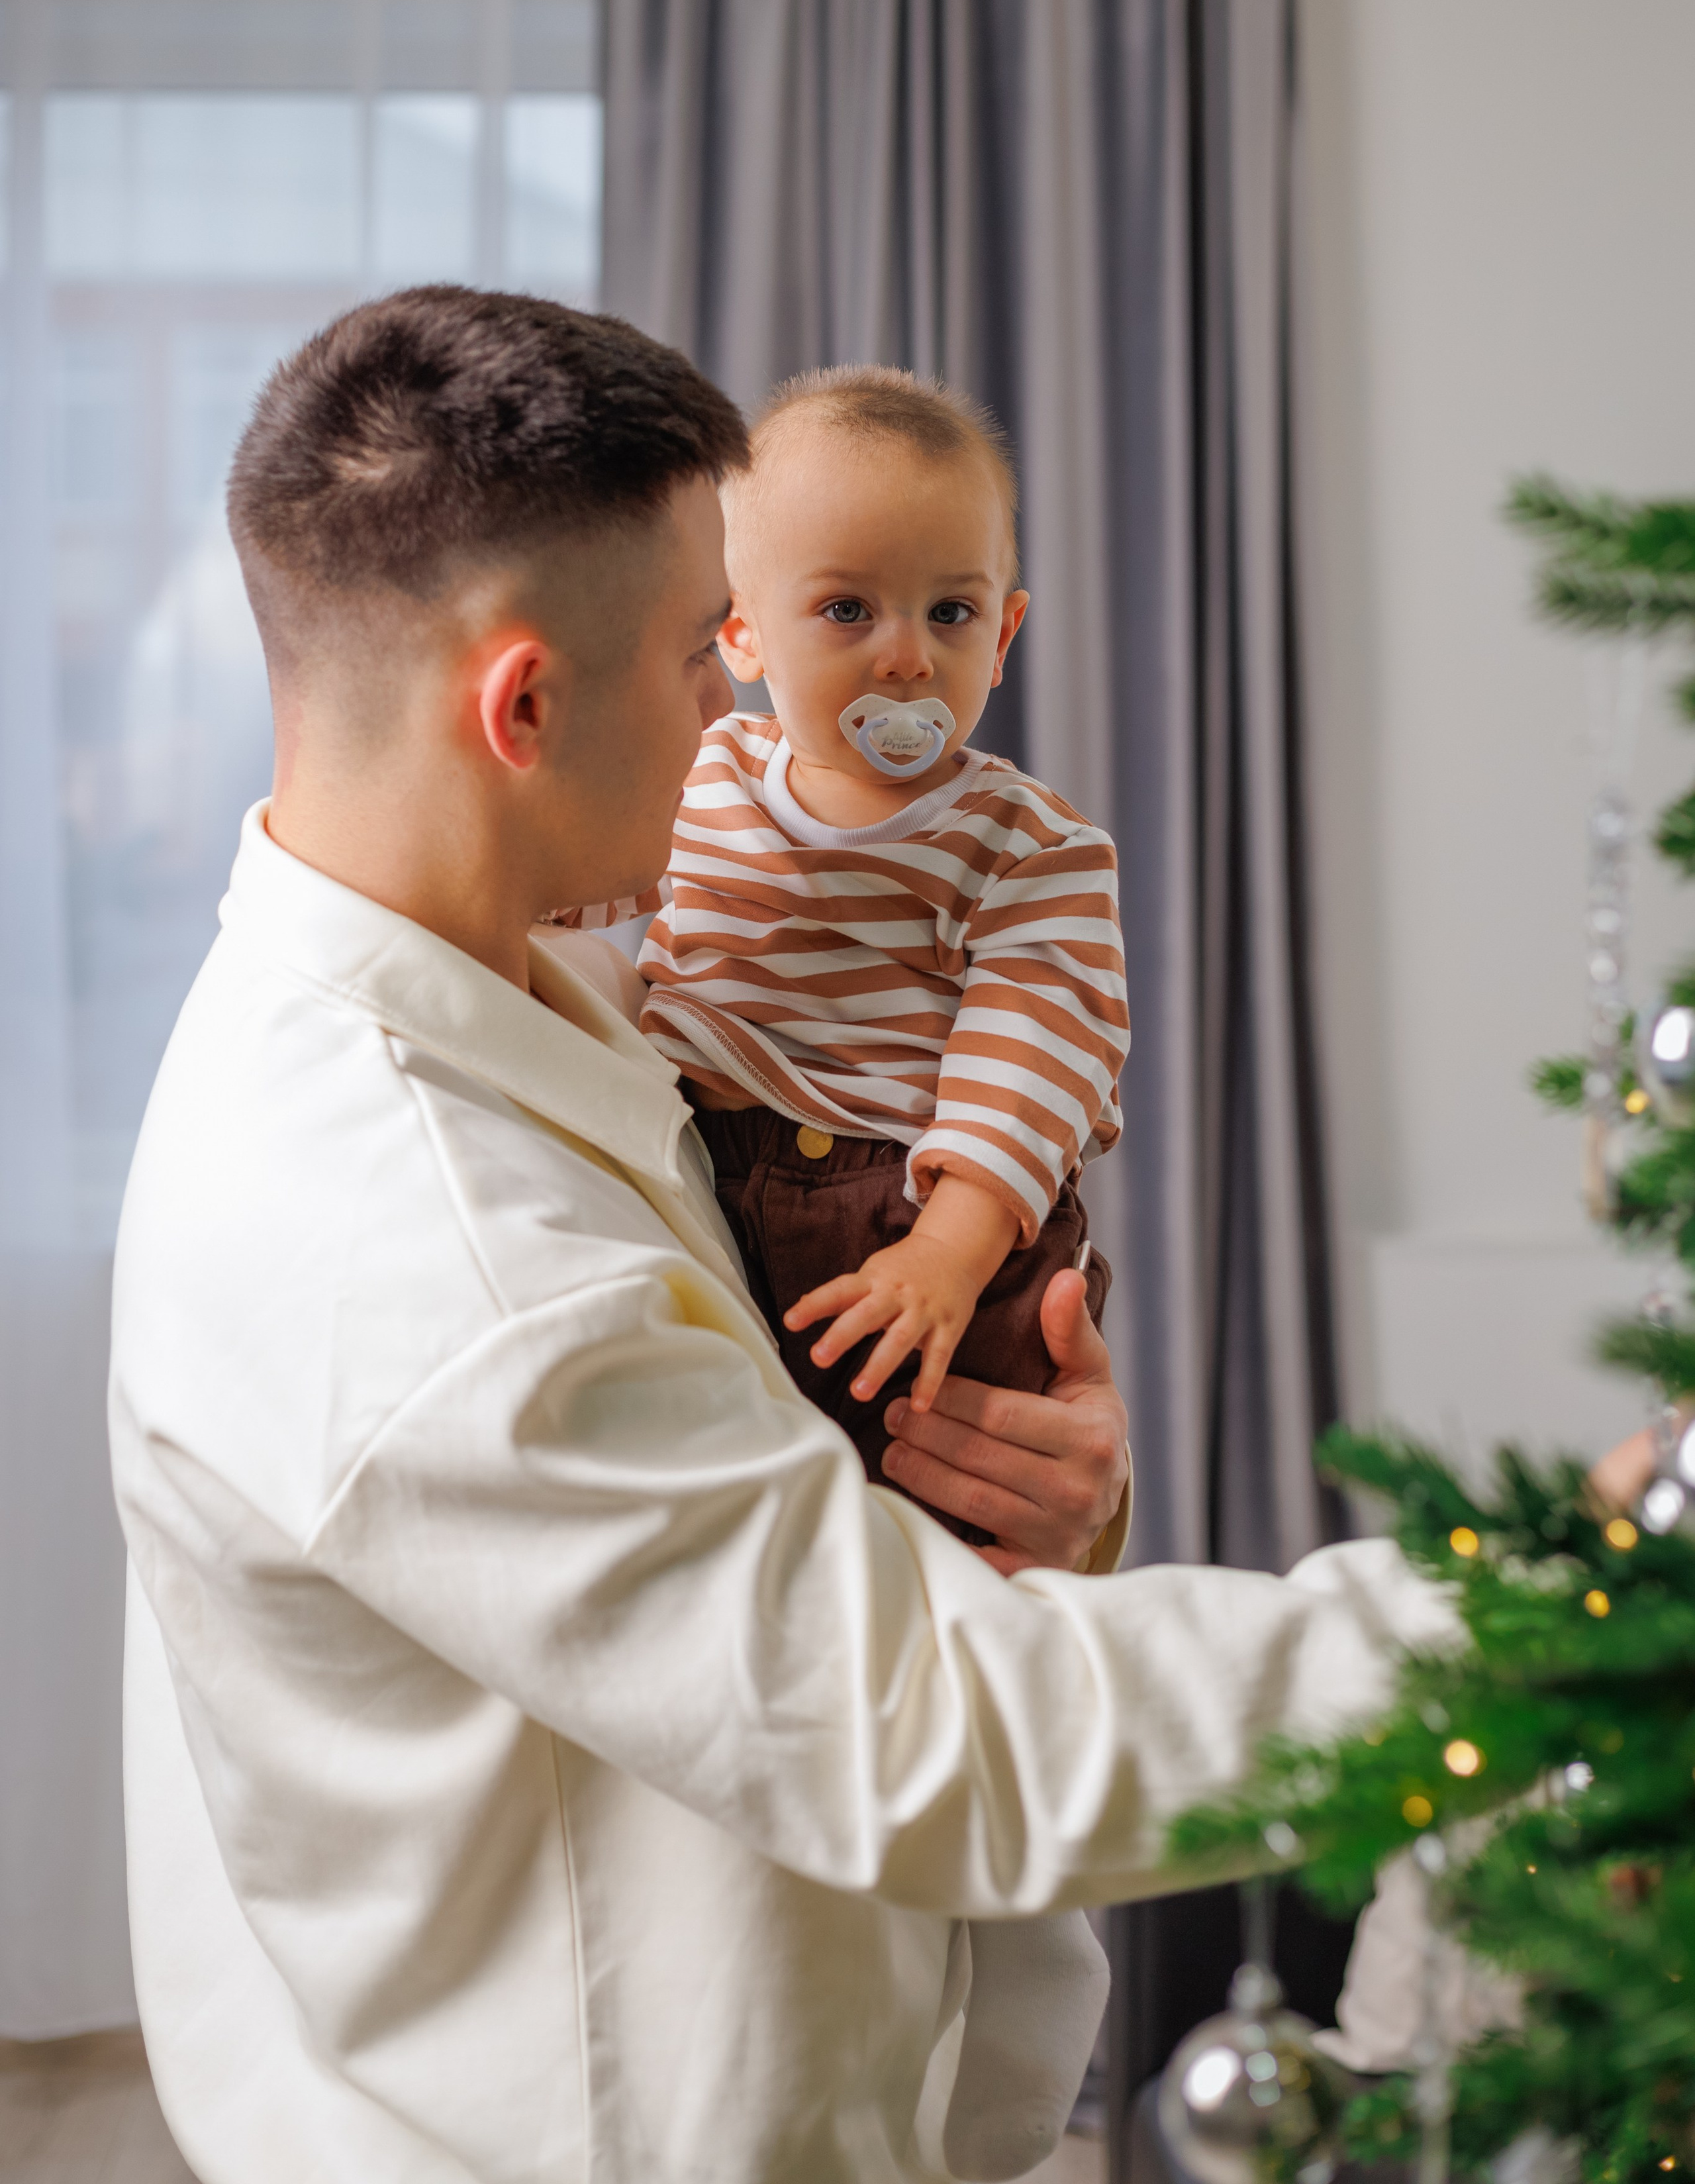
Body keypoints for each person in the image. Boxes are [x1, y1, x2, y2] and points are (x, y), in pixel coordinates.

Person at [111, 287, 1455, 2184]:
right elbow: (926, 1727)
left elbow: (771, 1498)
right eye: (694, 657)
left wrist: (1038, 1511)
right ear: (525, 703)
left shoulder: (525, 999)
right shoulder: (427, 1245)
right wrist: (1533, 1629)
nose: (739, 716)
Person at [558, 366, 1126, 1535]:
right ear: (745, 633)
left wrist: (951, 1251)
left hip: (918, 1203)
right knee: (769, 1526)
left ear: (1006, 633)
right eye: (848, 611)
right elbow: (573, 890)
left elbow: (1035, 1053)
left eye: (951, 613)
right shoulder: (703, 779)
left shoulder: (1028, 843)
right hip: (716, 1173)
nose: (908, 658)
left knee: (948, 1508)